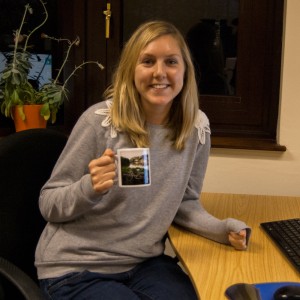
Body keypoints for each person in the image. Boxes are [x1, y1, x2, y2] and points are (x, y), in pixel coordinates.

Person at [35, 20, 251, 300]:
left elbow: (184, 202)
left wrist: (222, 229)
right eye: (147, 61)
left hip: (143, 263)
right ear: (130, 70)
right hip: (76, 266)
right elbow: (48, 204)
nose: (160, 73)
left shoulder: (195, 128)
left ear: (185, 70)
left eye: (171, 62)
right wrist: (89, 188)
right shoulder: (99, 122)